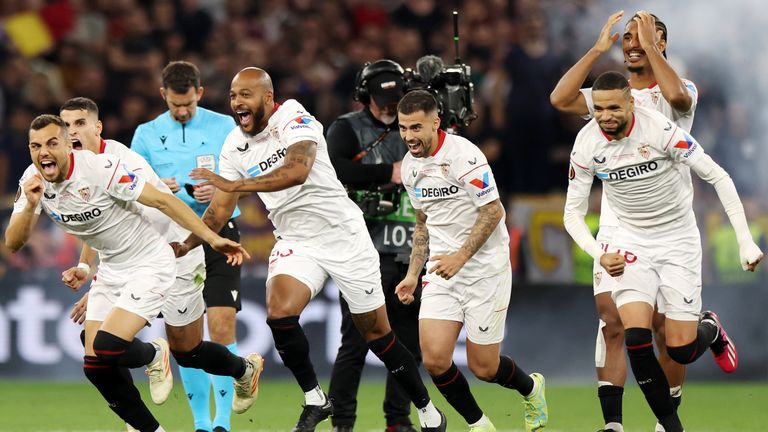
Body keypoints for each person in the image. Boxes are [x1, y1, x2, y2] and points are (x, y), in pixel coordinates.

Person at [178, 67, 447, 432]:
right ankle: (316, 399)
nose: (237, 102)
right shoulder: (233, 145)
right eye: (232, 95)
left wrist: (238, 182)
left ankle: (427, 408)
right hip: (296, 240)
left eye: (246, 94)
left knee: (377, 334)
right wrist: (185, 243)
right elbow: (219, 210)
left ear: (268, 98)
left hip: (344, 235)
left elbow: (297, 170)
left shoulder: (292, 116)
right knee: (279, 313)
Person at [5, 115, 260, 432]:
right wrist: (30, 206)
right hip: (113, 267)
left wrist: (211, 239)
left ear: (70, 146)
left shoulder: (102, 168)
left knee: (155, 347)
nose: (43, 152)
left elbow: (163, 201)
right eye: (36, 146)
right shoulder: (33, 181)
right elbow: (13, 243)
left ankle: (160, 353)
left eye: (52, 143)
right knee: (95, 365)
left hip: (153, 259)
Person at [563, 71, 763, 432]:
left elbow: (717, 176)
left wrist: (745, 240)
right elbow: (572, 215)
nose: (605, 116)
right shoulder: (586, 142)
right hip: (629, 241)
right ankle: (671, 427)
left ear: (630, 103)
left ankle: (710, 329)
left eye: (613, 107)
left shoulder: (660, 130)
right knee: (635, 336)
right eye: (598, 109)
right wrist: (599, 252)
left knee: (680, 349)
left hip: (677, 241)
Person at [550, 11, 698, 431]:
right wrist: (597, 50)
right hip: (619, 224)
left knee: (666, 332)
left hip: (669, 225)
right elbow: (560, 99)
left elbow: (681, 101)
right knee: (612, 320)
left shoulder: (677, 88)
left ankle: (662, 419)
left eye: (644, 35)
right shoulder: (610, 96)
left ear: (661, 42)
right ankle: (613, 425)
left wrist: (651, 46)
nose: (631, 41)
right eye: (627, 36)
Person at [394, 90, 548, 432]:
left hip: (485, 270)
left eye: (415, 127)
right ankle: (479, 424)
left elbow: (494, 211)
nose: (408, 136)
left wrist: (461, 257)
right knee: (434, 360)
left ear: (435, 123)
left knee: (484, 367)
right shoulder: (409, 167)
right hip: (441, 271)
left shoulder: (464, 155)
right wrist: (411, 274)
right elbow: (423, 223)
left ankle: (531, 388)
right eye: (403, 128)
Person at [130, 61, 242, 432]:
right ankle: (202, 424)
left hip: (218, 230)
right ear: (163, 95)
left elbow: (244, 176)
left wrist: (222, 186)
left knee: (223, 322)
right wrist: (160, 188)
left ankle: (222, 423)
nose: (182, 111)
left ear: (200, 93)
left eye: (188, 104)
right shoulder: (145, 134)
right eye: (175, 105)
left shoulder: (225, 126)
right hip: (173, 239)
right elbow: (131, 190)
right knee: (186, 336)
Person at [326, 59, 421, 432]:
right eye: (382, 98)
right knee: (355, 344)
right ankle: (342, 423)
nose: (388, 104)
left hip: (411, 251)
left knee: (409, 345)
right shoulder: (346, 129)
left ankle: (398, 421)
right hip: (361, 251)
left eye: (395, 97)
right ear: (364, 96)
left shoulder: (418, 126)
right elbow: (332, 170)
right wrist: (388, 173)